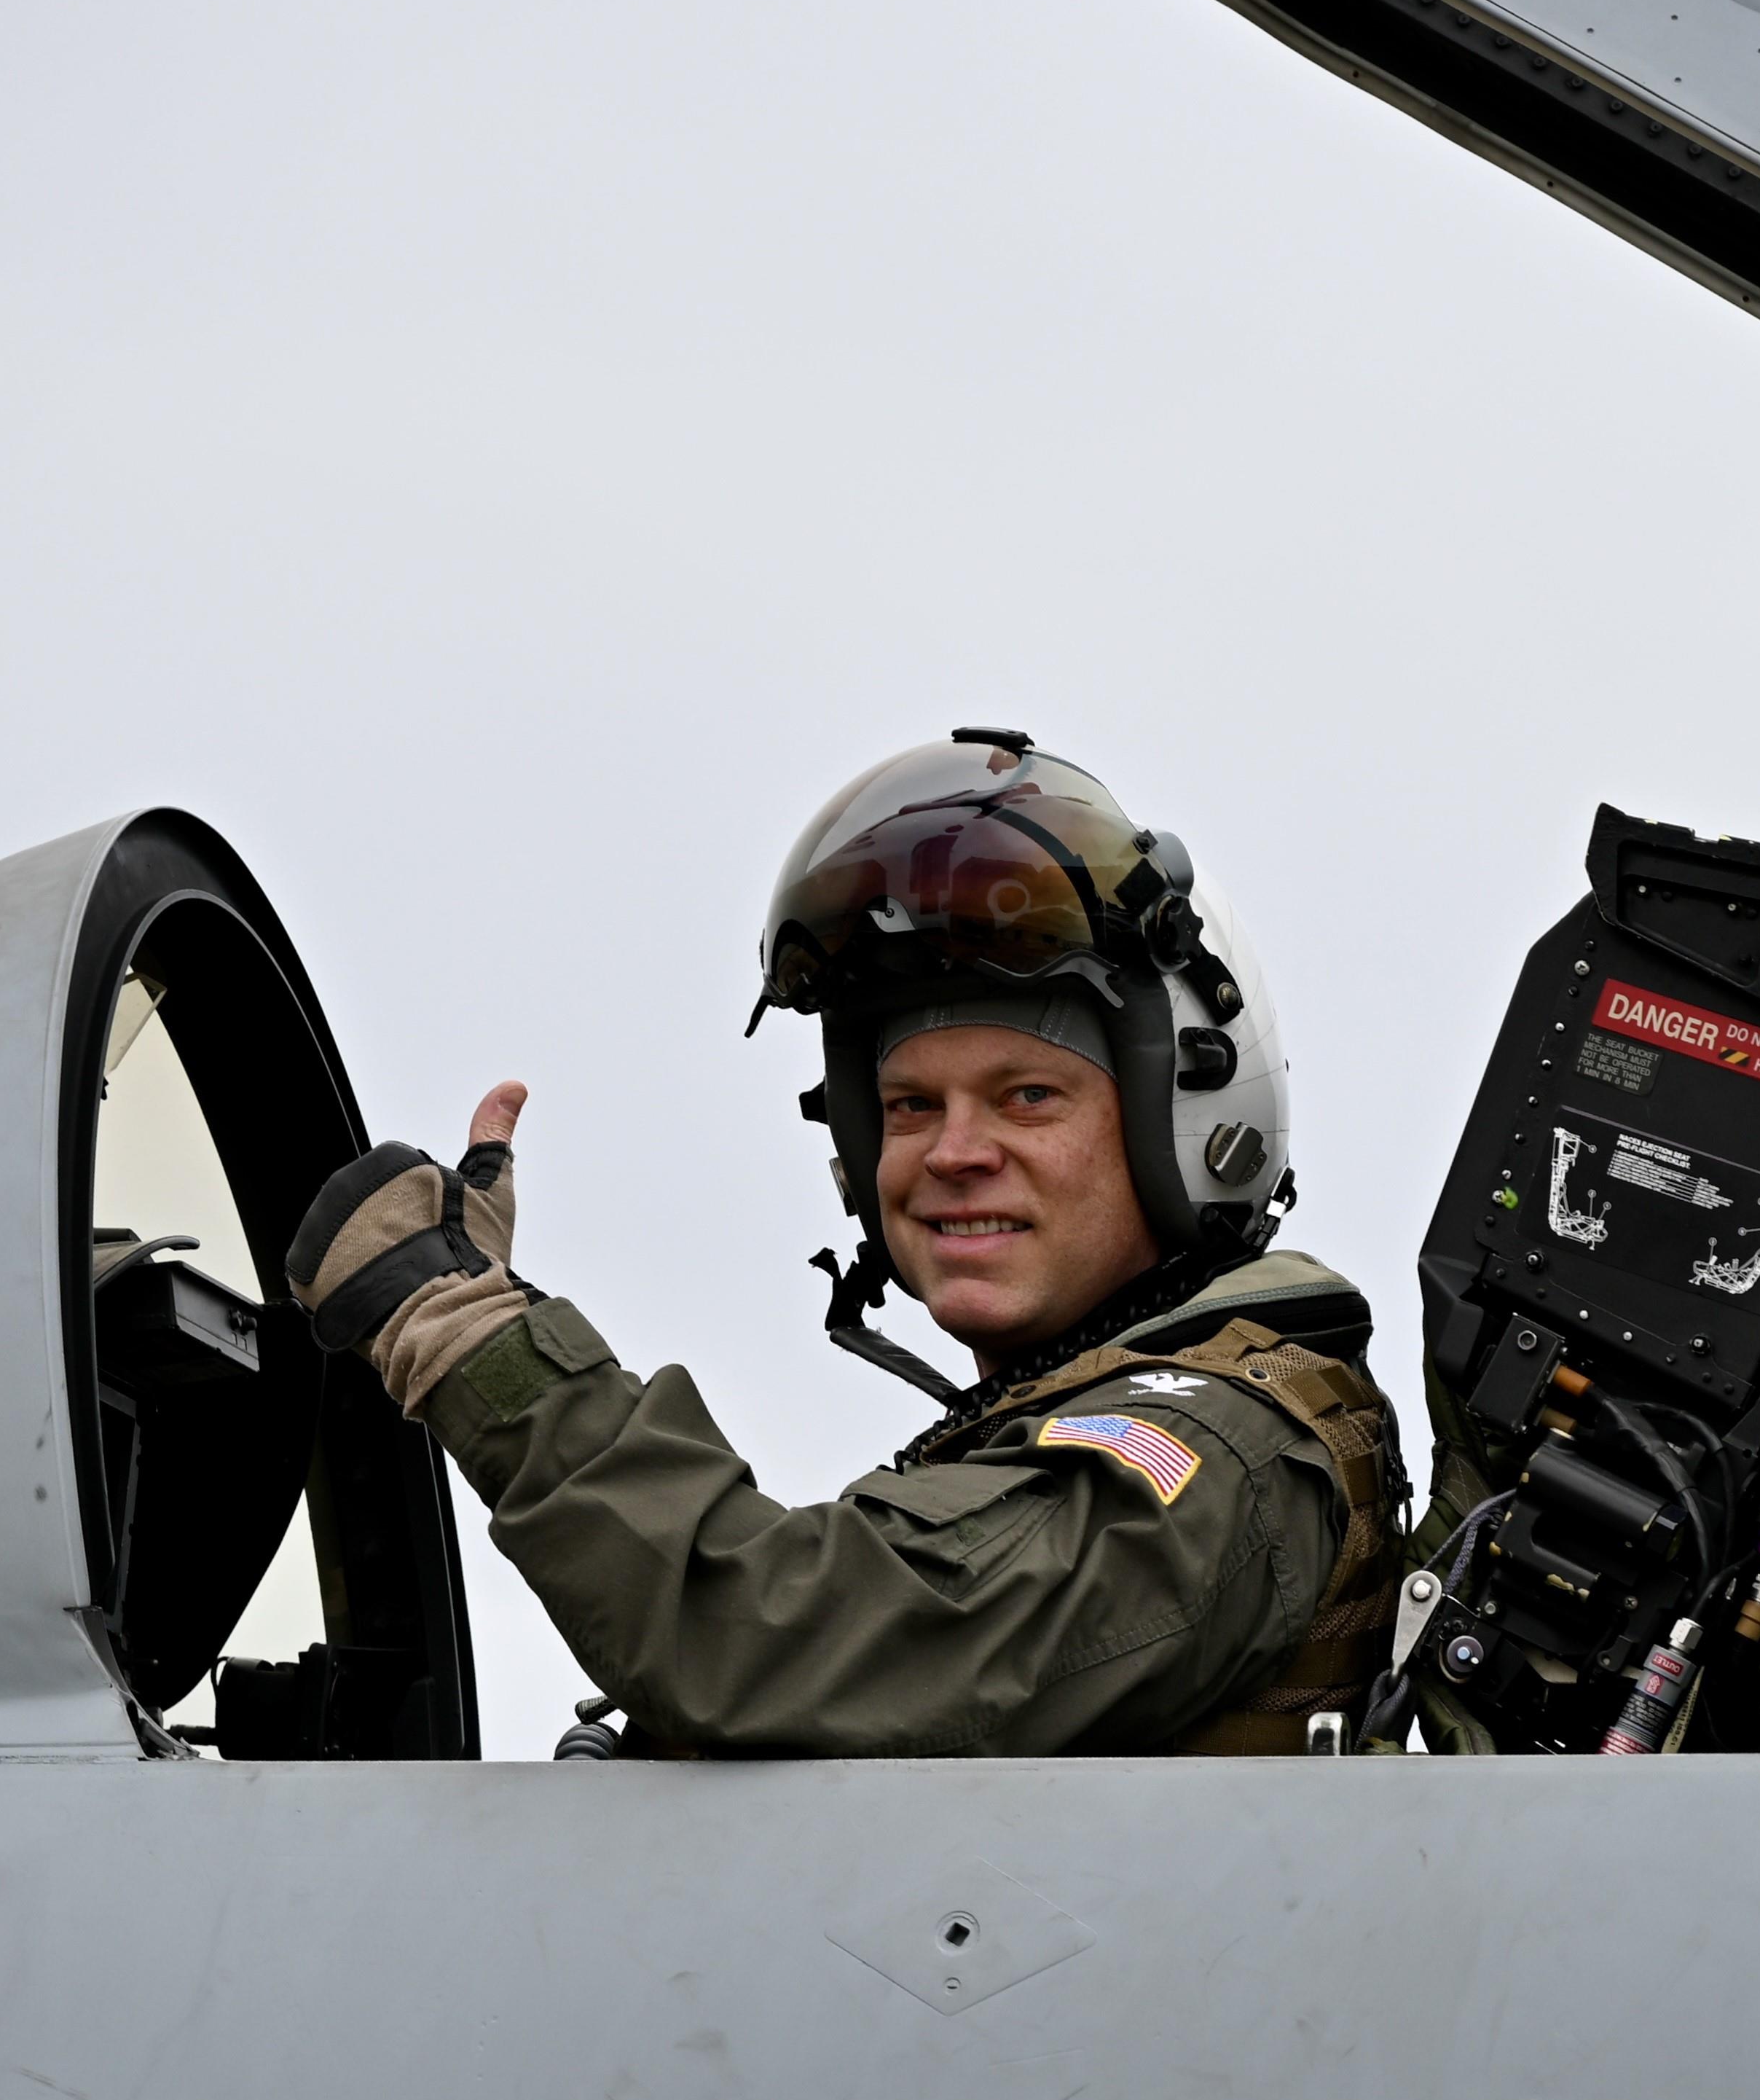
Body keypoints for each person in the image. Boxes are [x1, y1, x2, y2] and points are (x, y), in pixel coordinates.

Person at [285, 729, 1402, 1758]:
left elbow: (760, 1645)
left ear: (1181, 1124)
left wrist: (470, 1336)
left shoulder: (1213, 1455)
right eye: (911, 1108)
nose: (954, 1153)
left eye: (1025, 1098)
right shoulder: (1088, 1429)